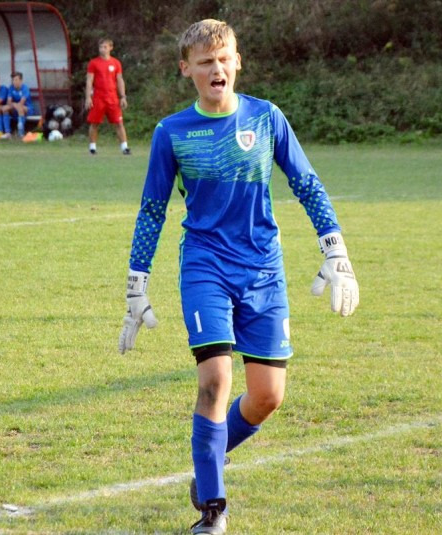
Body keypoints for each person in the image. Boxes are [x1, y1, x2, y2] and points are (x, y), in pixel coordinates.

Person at [118, 19, 359, 534]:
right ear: (187, 70)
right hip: (205, 265)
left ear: (238, 62)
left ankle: (209, 459)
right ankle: (213, 510)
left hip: (263, 268)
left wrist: (335, 249)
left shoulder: (266, 118)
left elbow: (307, 182)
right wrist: (136, 285)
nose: (217, 68)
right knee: (215, 380)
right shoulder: (171, 132)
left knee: (268, 395)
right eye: (205, 61)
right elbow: (152, 210)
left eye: (224, 58)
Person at [85, 38, 130, 155]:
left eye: (105, 47)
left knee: (119, 122)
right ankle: (92, 148)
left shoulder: (116, 63)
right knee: (94, 123)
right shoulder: (94, 63)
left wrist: (123, 96)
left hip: (112, 97)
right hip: (98, 97)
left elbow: (119, 80)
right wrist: (88, 97)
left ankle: (125, 147)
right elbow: (89, 80)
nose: (102, 49)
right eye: (101, 47)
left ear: (111, 48)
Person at [2, 71, 34, 139]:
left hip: (27, 109)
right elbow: (9, 102)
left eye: (16, 80)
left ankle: (20, 133)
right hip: (15, 108)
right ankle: (7, 133)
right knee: (5, 109)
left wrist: (13, 104)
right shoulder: (11, 88)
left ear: (21, 80)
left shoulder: (25, 88)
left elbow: (21, 103)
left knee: (20, 108)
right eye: (13, 80)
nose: (14, 82)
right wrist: (14, 104)